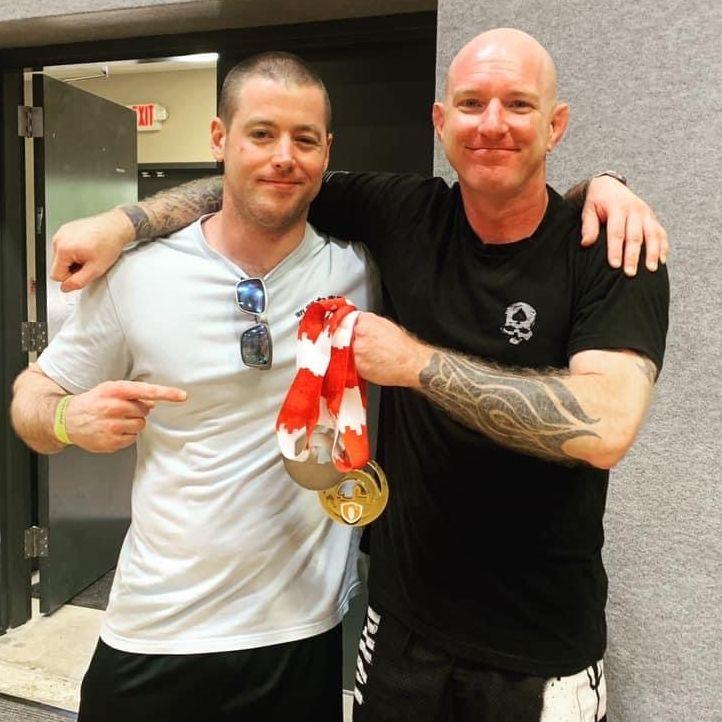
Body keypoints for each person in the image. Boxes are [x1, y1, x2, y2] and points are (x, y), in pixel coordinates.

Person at [43, 31, 669, 722]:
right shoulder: (402, 216)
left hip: (539, 643)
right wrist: (124, 222)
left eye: (519, 104)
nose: (492, 123)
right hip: (399, 627)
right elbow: (265, 182)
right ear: (440, 121)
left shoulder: (610, 247)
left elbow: (605, 426)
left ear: (556, 124)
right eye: (471, 103)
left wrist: (416, 363)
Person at [11, 52, 380, 722]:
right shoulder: (136, 276)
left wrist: (590, 194)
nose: (283, 157)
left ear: (327, 153)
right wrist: (67, 419)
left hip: (300, 634)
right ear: (219, 138)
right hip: (156, 630)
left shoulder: (359, 270)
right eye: (261, 134)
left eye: (304, 139)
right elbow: (30, 399)